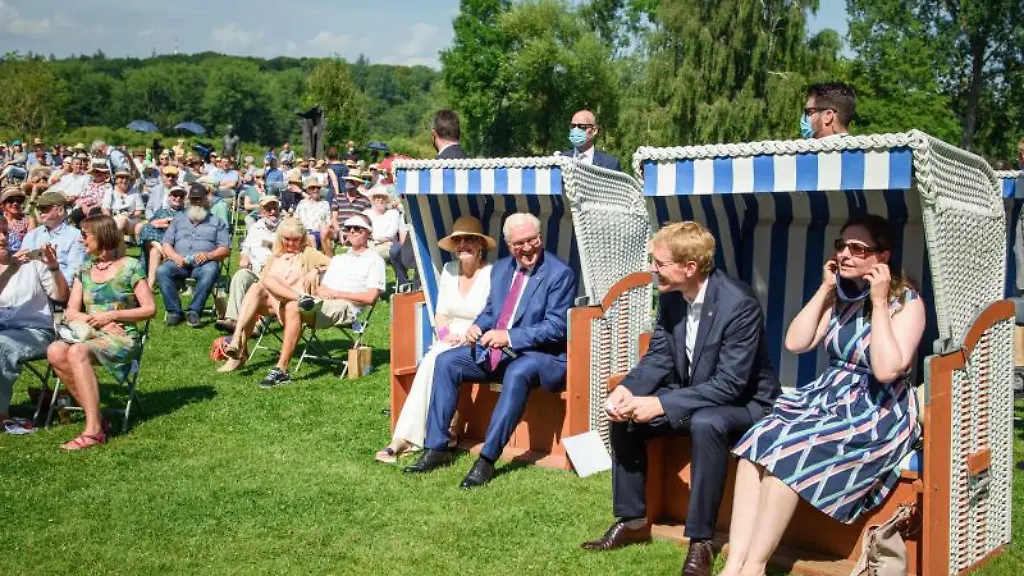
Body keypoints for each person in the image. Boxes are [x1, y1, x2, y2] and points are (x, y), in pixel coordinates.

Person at [720, 215, 925, 576]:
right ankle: (733, 565)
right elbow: (795, 342)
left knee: (790, 451)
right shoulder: (842, 295)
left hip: (877, 410)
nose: (845, 254)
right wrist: (825, 289)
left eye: (858, 248)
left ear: (882, 257)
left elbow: (886, 369)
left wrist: (878, 304)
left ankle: (754, 568)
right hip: (830, 398)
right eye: (841, 245)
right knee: (757, 441)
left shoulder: (906, 301)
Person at [579, 221, 780, 575]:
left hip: (746, 404)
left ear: (690, 267)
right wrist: (627, 390)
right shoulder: (672, 297)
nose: (651, 269)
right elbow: (659, 355)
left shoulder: (738, 304)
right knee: (623, 415)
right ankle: (633, 520)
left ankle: (701, 541)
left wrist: (659, 404)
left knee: (706, 423)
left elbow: (730, 385)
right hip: (695, 392)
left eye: (658, 262)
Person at [404, 213, 576, 488]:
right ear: (509, 246)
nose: (528, 248)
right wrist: (477, 327)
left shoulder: (559, 274)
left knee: (519, 372)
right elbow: (491, 311)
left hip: (544, 357)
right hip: (501, 351)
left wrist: (508, 336)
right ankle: (437, 447)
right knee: (447, 361)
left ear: (540, 238)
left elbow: (556, 328)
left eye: (532, 240)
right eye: (519, 243)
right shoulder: (502, 270)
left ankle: (486, 459)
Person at [375, 216, 494, 462]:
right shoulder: (450, 271)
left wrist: (469, 335)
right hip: (449, 337)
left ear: (480, 244)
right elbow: (440, 314)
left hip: (477, 338)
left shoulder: (492, 274)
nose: (463, 245)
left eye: (470, 240)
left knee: (431, 363)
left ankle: (405, 440)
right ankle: (417, 436)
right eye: (458, 240)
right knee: (430, 362)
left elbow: (493, 315)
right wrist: (445, 335)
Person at [222, 215, 385, 388]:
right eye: (348, 228)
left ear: (368, 232)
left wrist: (336, 292)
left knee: (293, 305)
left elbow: (370, 298)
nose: (352, 231)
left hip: (343, 306)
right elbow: (325, 281)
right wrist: (318, 276)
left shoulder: (374, 260)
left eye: (357, 228)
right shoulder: (341, 259)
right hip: (318, 299)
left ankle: (281, 369)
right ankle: (238, 344)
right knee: (261, 284)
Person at [46, 215, 156, 451]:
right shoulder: (85, 268)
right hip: (92, 333)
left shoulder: (131, 266)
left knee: (76, 352)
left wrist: (113, 316)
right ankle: (98, 419)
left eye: (85, 235)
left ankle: (94, 430)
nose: (81, 240)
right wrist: (96, 321)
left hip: (122, 338)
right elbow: (71, 312)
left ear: (102, 236)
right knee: (55, 351)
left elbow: (149, 309)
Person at [217, 216, 331, 374]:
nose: (290, 244)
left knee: (261, 286)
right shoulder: (275, 256)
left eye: (295, 240)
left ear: (302, 238)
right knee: (257, 288)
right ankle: (236, 340)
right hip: (272, 304)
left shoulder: (308, 253)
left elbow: (335, 265)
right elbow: (264, 282)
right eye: (287, 239)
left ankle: (238, 350)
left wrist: (316, 270)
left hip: (293, 308)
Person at [0, 219, 69, 422]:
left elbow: (61, 297)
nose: (2, 238)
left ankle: (1, 414)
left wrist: (54, 268)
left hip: (35, 330)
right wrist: (9, 271)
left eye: (4, 232)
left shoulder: (31, 264)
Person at [157, 184, 231, 328]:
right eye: (193, 199)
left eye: (199, 199)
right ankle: (174, 312)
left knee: (211, 270)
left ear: (206, 200)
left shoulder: (216, 222)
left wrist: (209, 255)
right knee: (162, 270)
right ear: (188, 200)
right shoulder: (178, 220)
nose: (196, 202)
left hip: (204, 263)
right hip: (179, 262)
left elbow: (225, 249)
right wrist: (174, 256)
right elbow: (166, 243)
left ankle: (194, 311)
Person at [216, 196, 282, 333]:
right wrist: (244, 257)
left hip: (276, 273)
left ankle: (258, 326)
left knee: (270, 284)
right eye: (268, 209)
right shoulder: (255, 228)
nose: (272, 212)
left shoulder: (285, 228)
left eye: (274, 208)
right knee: (240, 275)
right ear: (262, 212)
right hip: (255, 270)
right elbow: (246, 249)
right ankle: (232, 319)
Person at [21, 192, 86, 285]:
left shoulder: (76, 236)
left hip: (59, 288)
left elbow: (73, 272)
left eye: (44, 208)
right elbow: (23, 264)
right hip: (31, 286)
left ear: (60, 210)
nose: (39, 211)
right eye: (38, 208)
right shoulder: (32, 235)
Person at [136, 185, 187, 289]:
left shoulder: (186, 213)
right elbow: (150, 226)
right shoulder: (161, 212)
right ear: (169, 197)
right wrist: (163, 222)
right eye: (175, 195)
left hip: (176, 244)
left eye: (181, 196)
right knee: (146, 228)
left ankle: (150, 286)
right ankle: (162, 250)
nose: (178, 198)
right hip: (160, 242)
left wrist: (166, 223)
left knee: (154, 250)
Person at [324, 171, 371, 255]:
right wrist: (339, 231)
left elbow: (366, 221)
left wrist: (351, 233)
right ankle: (329, 258)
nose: (348, 183)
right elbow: (334, 218)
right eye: (347, 181)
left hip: (355, 231)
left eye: (352, 181)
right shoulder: (338, 197)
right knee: (324, 229)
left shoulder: (365, 200)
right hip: (339, 230)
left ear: (358, 184)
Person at [363, 185, 403, 262]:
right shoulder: (366, 214)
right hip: (371, 245)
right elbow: (364, 232)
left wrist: (374, 241)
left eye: (383, 198)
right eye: (378, 197)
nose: (380, 200)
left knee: (370, 253)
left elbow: (390, 234)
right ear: (373, 200)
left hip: (386, 247)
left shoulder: (394, 213)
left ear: (387, 200)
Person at [103, 169, 144, 241]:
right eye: (121, 177)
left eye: (127, 178)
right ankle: (118, 241)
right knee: (120, 220)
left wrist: (129, 214)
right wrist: (109, 220)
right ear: (116, 180)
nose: (124, 180)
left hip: (132, 220)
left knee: (123, 219)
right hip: (115, 219)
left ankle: (110, 239)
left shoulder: (135, 192)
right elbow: (105, 208)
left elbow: (139, 211)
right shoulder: (110, 191)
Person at [294, 178, 331, 251]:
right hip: (302, 232)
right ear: (307, 190)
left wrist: (322, 228)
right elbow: (295, 219)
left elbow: (328, 221)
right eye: (312, 188)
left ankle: (313, 260)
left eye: (318, 188)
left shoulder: (325, 204)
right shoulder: (302, 203)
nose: (316, 190)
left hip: (317, 233)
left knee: (311, 238)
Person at [1, 187, 36, 252]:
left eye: (18, 200)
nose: (15, 203)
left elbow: (31, 242)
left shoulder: (28, 220)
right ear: (3, 203)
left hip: (22, 256)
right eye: (10, 200)